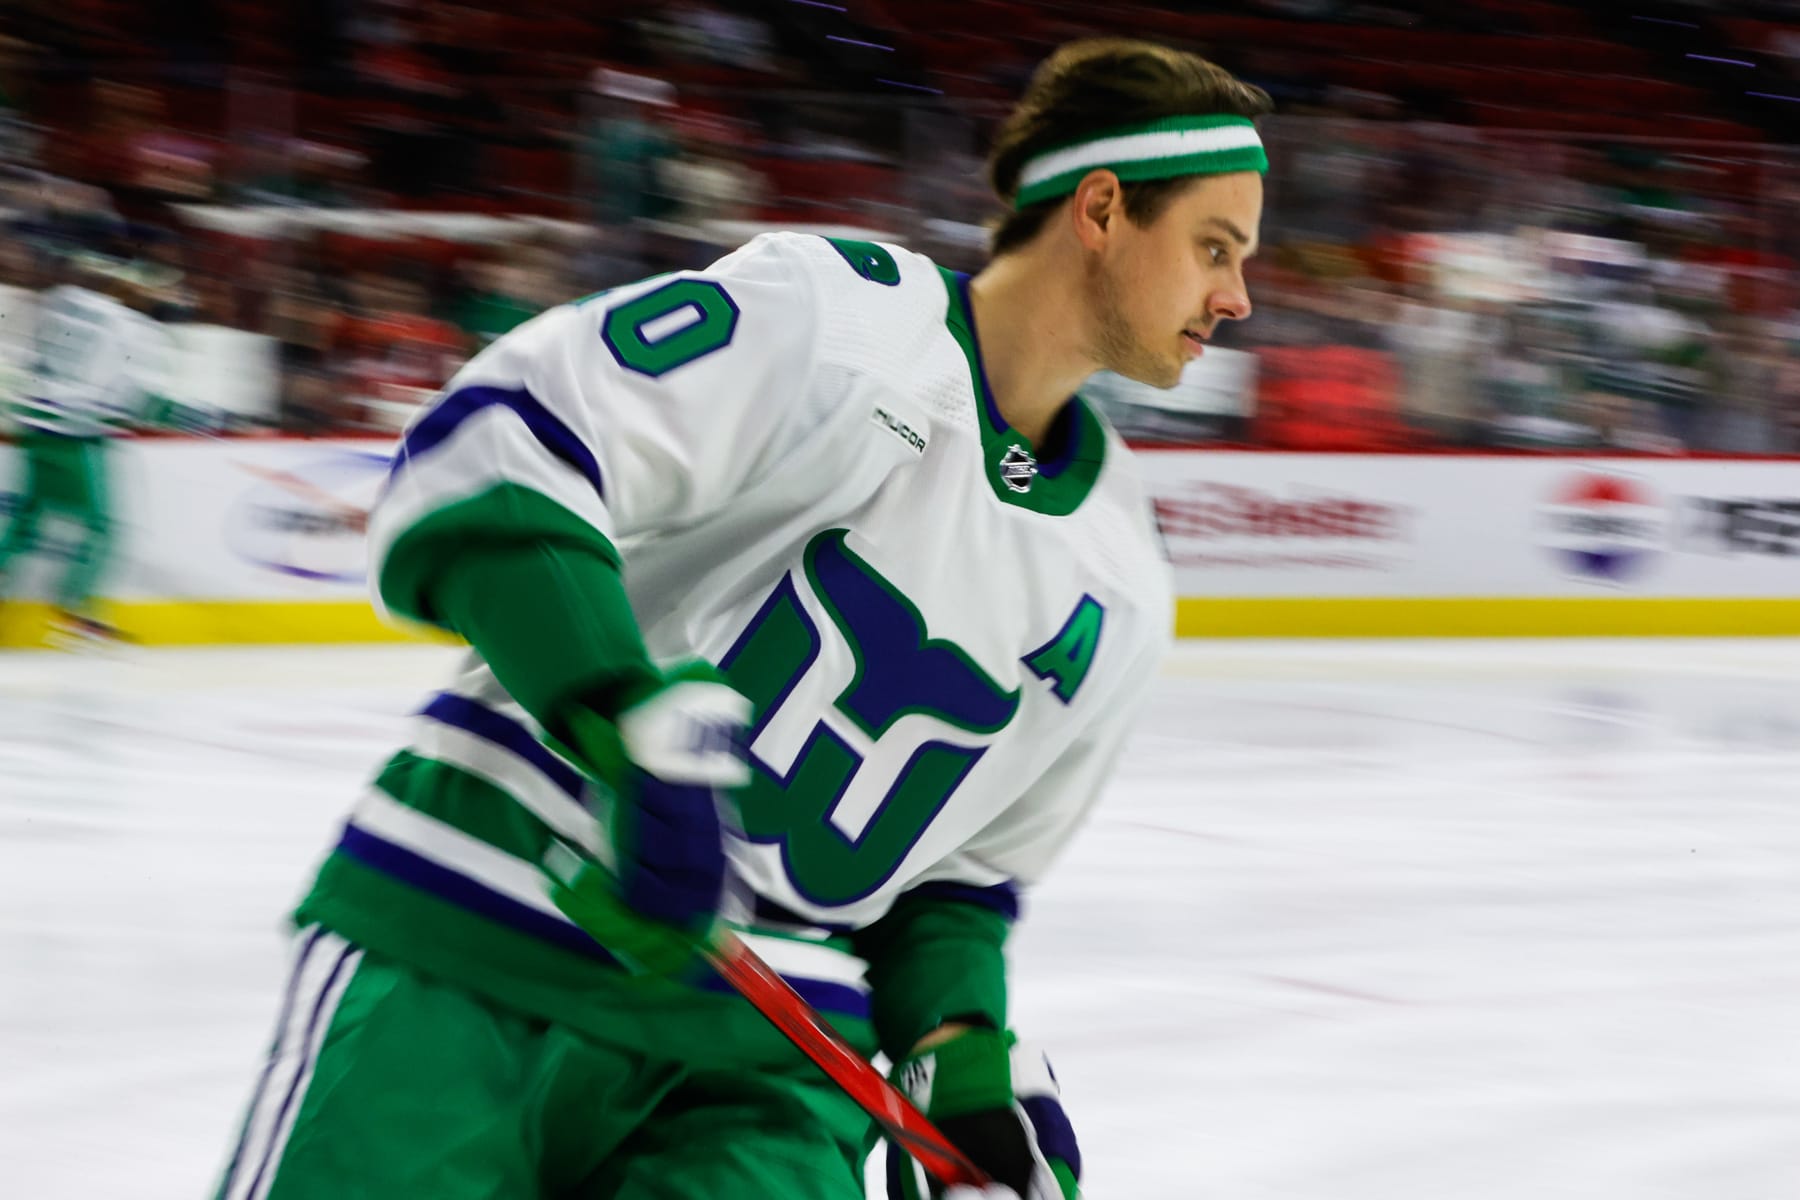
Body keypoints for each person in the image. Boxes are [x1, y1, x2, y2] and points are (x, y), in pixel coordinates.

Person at [213, 38, 1269, 1200]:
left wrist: (963, 1069)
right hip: (483, 945)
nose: (1237, 295)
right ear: (1104, 209)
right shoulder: (846, 324)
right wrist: (619, 714)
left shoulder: (1121, 573)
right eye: (1214, 247)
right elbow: (499, 447)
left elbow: (957, 882)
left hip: (766, 1081)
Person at [0, 252, 184, 642]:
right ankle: (77, 611)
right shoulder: (141, 333)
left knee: (30, 516)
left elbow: (23, 334)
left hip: (32, 423)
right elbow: (141, 402)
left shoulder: (66, 299)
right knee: (104, 528)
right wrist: (184, 416)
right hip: (74, 433)